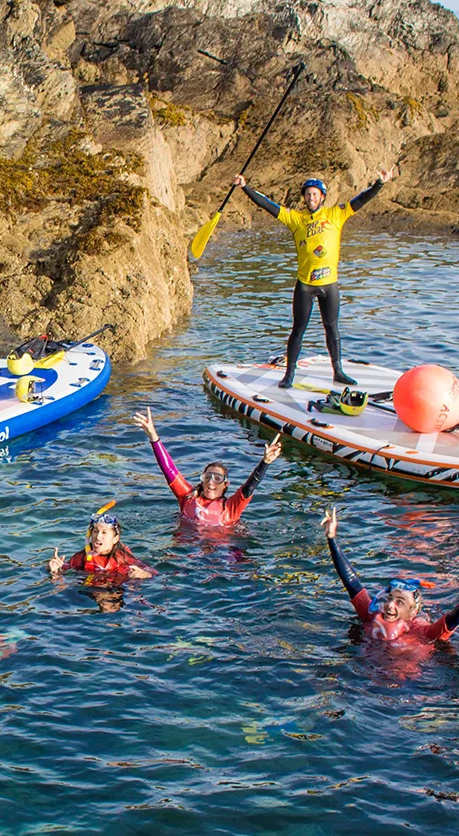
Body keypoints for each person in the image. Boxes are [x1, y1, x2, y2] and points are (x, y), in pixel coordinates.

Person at [234, 168, 394, 388]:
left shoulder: (336, 214)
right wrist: (245, 187)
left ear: (322, 197)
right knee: (298, 329)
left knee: (332, 328)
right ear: (304, 197)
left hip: (330, 285)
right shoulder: (295, 219)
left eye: (315, 194)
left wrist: (379, 184)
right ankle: (289, 374)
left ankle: (338, 371)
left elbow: (361, 200)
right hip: (305, 286)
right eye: (308, 194)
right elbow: (267, 204)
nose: (311, 197)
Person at [322, 505, 459, 677]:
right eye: (390, 598)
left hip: (408, 690)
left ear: (412, 612)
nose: (390, 605)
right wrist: (332, 539)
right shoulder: (371, 615)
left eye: (399, 602)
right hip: (365, 677)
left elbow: (455, 617)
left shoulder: (422, 633)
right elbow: (352, 582)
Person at [132, 408, 282, 528]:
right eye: (207, 477)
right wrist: (153, 436)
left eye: (217, 479)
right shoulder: (188, 498)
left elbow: (249, 487)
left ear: (225, 485)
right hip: (188, 554)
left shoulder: (230, 507)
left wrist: (265, 462)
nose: (211, 482)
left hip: (221, 555)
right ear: (202, 481)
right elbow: (169, 470)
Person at [48, 506, 154, 582]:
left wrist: (145, 574)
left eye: (104, 532)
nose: (98, 537)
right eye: (95, 531)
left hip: (116, 589)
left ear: (115, 539)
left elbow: (154, 574)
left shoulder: (123, 558)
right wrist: (54, 569)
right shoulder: (82, 557)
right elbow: (66, 571)